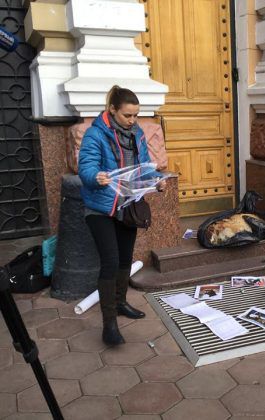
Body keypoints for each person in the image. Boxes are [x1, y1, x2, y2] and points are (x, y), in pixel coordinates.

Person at [79, 85, 165, 345]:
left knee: (126, 258)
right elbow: (86, 166)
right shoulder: (95, 134)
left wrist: (157, 180)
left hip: (128, 204)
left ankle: (120, 303)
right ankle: (109, 325)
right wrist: (96, 176)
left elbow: (144, 167)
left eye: (136, 115)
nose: (133, 121)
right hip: (101, 207)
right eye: (128, 115)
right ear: (112, 110)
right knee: (111, 260)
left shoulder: (136, 134)